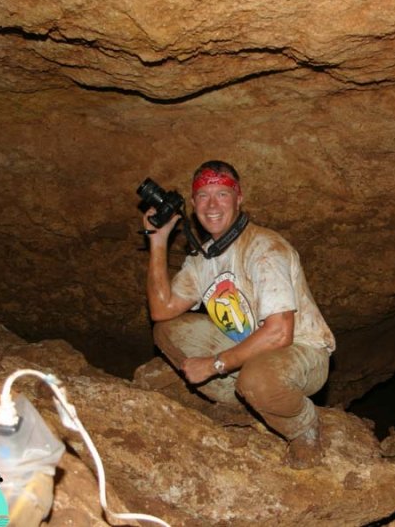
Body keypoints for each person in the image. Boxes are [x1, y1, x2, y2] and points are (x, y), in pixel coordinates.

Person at [142, 160, 335, 469]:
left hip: (301, 353)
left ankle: (304, 427)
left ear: (239, 198)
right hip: (249, 350)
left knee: (257, 379)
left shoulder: (265, 247)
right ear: (192, 205)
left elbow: (280, 332)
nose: (212, 204)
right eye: (204, 195)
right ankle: (240, 402)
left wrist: (214, 364)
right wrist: (158, 240)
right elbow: (161, 309)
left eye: (222, 194)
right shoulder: (203, 258)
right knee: (166, 330)